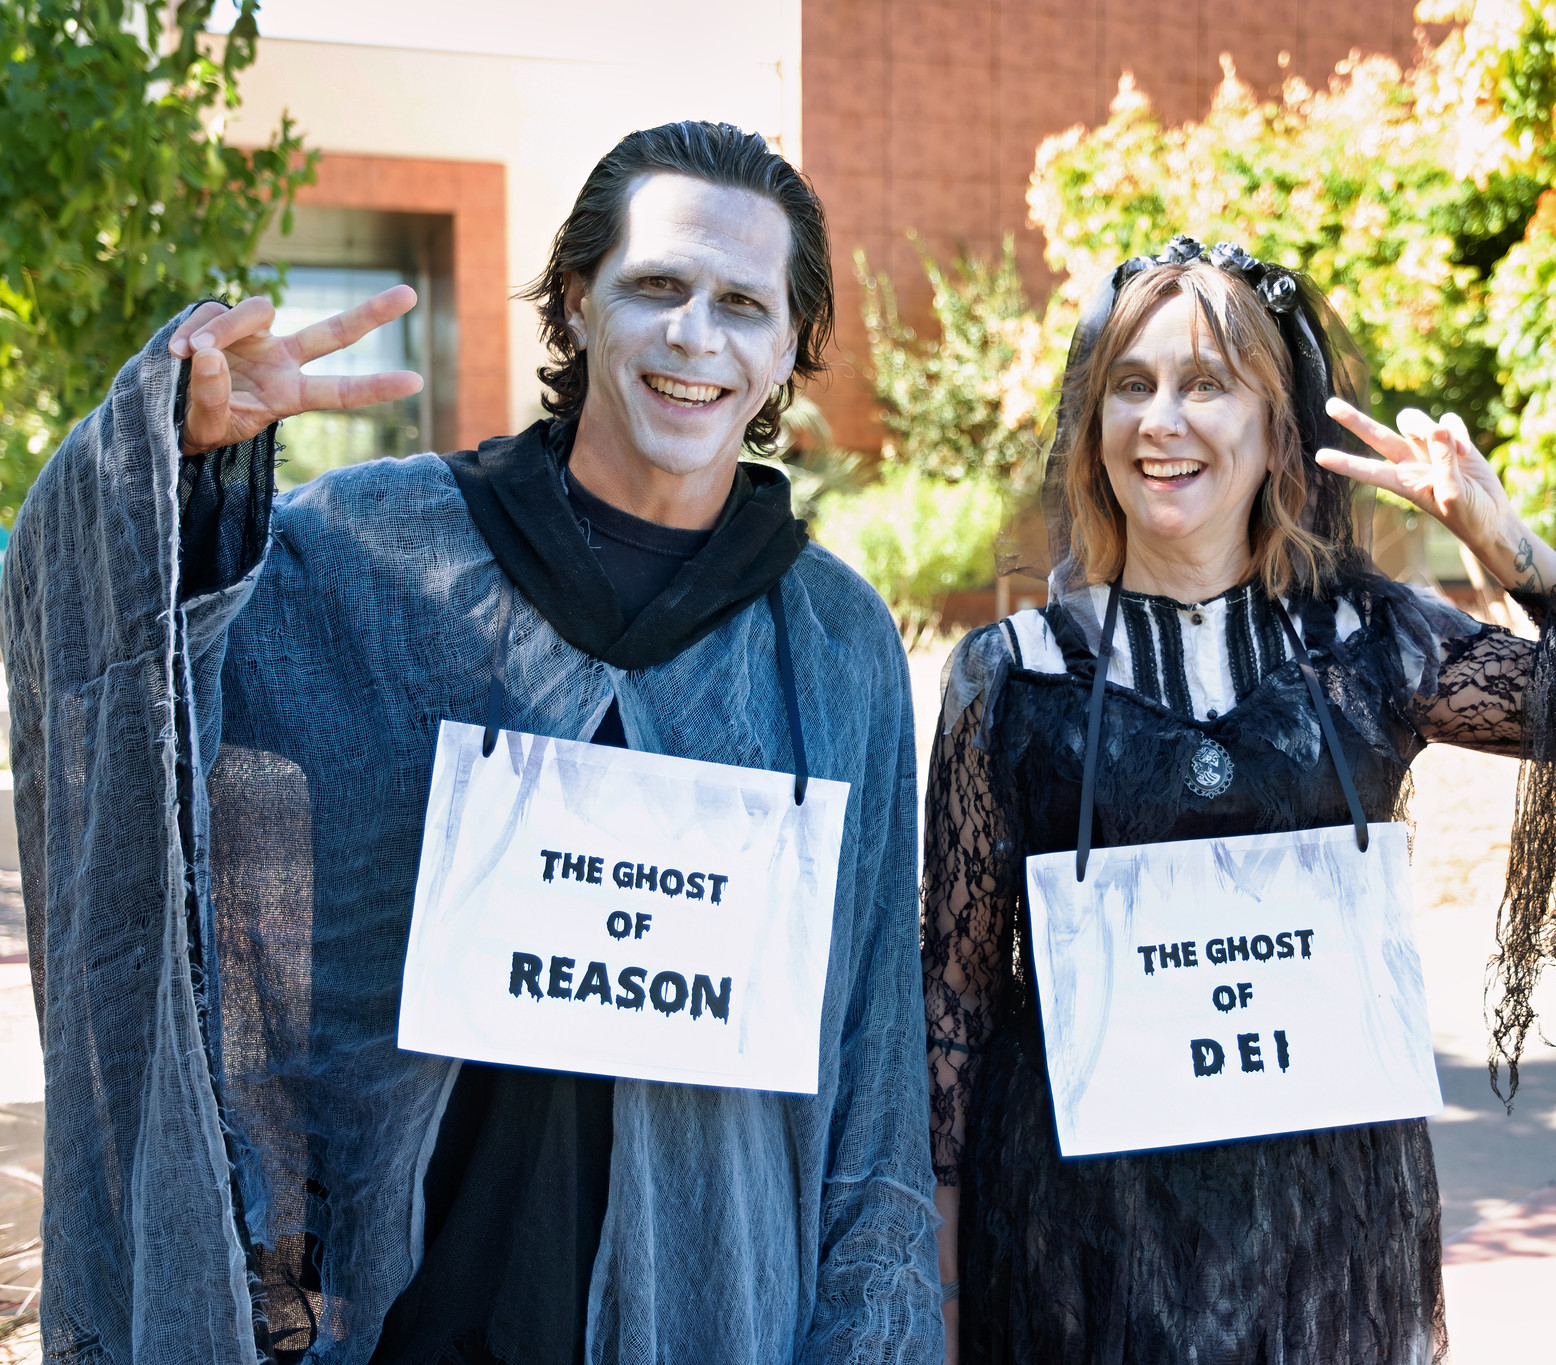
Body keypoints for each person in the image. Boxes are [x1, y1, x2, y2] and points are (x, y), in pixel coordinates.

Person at [3, 122, 939, 1364]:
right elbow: (126, 652)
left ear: (787, 350)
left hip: (719, 1311)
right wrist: (163, 467)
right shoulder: (383, 552)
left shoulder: (831, 642)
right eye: (655, 285)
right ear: (576, 299)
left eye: (742, 306)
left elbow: (873, 1043)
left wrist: (862, 1329)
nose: (695, 336)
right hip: (425, 1303)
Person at [921, 238, 1556, 1364]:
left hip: (1323, 1247)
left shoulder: (1372, 642)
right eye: (1129, 386)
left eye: (1206, 385)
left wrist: (1501, 539)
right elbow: (953, 1001)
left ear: (1276, 430)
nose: (1161, 420)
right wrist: (941, 1289)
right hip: (1073, 1253)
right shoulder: (1014, 673)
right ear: (1090, 429)